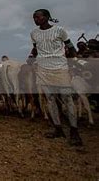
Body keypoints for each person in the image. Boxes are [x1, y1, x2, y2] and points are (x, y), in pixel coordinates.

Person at [30, 9, 82, 146]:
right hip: (43, 69)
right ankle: (58, 128)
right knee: (50, 99)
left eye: (38, 17)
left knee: (67, 98)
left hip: (60, 68)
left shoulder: (60, 31)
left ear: (47, 17)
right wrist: (32, 57)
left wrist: (73, 63)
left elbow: (71, 48)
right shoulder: (34, 33)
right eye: (34, 17)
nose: (36, 19)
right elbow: (36, 49)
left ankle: (74, 131)